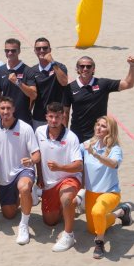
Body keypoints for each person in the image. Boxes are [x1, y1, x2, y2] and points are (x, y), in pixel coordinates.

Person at [0, 96, 40, 245]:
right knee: (9, 214)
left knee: (23, 187)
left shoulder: (25, 128)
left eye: (8, 108)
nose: (5, 111)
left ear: (14, 109)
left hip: (23, 170)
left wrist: (31, 160)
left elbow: (37, 155)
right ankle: (28, 196)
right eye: (2, 108)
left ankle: (24, 225)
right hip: (4, 175)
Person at [82, 115, 134, 260]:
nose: (99, 128)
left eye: (103, 126)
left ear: (110, 131)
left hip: (110, 192)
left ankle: (99, 243)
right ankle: (122, 212)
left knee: (98, 211)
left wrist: (95, 154)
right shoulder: (87, 144)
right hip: (91, 192)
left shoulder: (115, 149)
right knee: (93, 228)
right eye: (98, 125)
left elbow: (113, 163)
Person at [36, 102, 83, 252]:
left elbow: (79, 166)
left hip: (68, 178)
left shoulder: (71, 137)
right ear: (46, 117)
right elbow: (38, 157)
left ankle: (69, 235)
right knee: (50, 221)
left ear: (63, 117)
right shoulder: (39, 132)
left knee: (66, 198)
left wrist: (60, 167)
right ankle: (77, 202)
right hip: (49, 183)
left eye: (57, 117)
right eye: (51, 116)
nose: (54, 120)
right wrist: (40, 177)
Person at [65, 55, 134, 142]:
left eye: (89, 66)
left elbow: (128, 84)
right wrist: (64, 133)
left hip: (99, 135)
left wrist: (132, 66)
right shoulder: (70, 88)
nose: (85, 69)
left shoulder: (103, 84)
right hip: (77, 135)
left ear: (93, 69)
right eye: (82, 66)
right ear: (77, 68)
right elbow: (65, 113)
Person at [0, 38, 36, 125]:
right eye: (7, 50)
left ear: (19, 51)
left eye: (13, 50)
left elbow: (33, 95)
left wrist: (18, 82)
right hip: (4, 117)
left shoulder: (28, 70)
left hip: (23, 118)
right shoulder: (0, 70)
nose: (10, 53)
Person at [29, 37, 69, 129]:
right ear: (35, 51)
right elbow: (32, 96)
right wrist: (28, 112)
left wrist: (52, 62)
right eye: (38, 49)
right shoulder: (32, 71)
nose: (42, 51)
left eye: (45, 48)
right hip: (38, 117)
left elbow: (64, 82)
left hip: (57, 116)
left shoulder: (60, 67)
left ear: (50, 50)